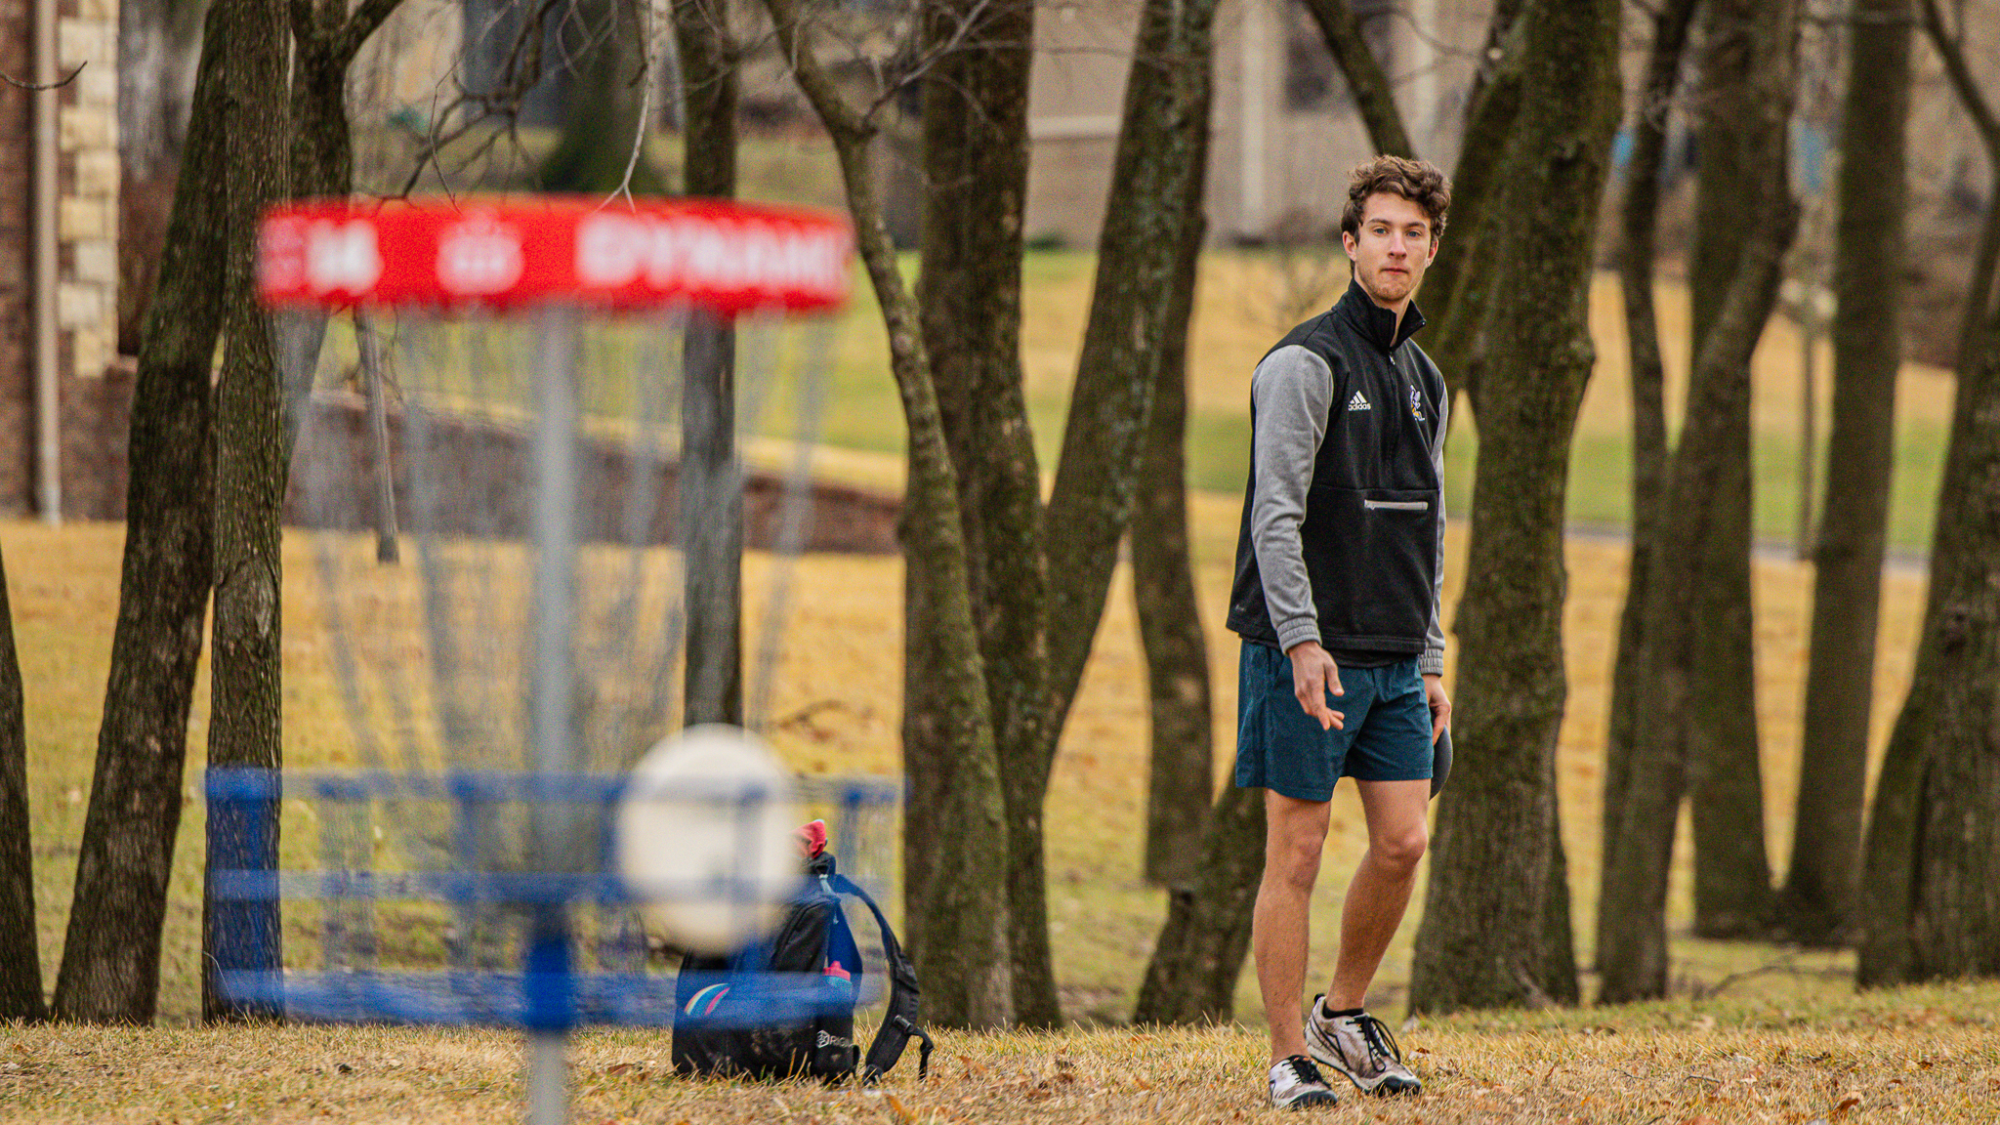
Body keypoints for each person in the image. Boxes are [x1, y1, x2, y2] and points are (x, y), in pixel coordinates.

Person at [1225, 155, 1452, 1110]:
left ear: (1431, 249)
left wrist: (1433, 657)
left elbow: (1429, 523)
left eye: (1414, 233)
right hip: (1303, 652)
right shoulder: (1302, 365)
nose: (1397, 246)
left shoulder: (1427, 377)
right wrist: (1302, 639)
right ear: (1350, 243)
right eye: (1381, 231)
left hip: (1397, 658)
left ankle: (1342, 1013)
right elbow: (1273, 517)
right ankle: (1288, 1056)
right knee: (1300, 853)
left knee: (1402, 843)